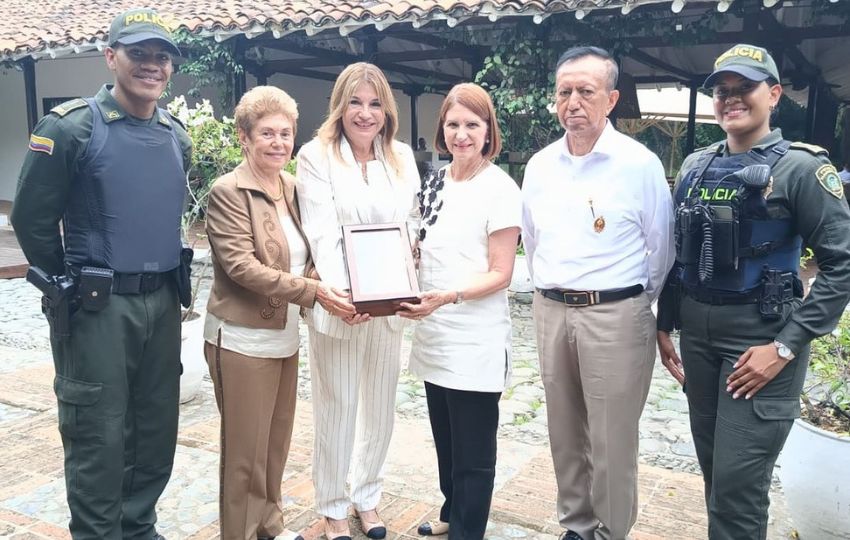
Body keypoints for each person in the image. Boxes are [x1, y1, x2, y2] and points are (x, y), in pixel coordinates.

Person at [656, 44, 850, 540]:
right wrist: (665, 324)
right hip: (698, 335)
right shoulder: (697, 167)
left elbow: (842, 264)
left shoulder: (802, 169)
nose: (731, 99)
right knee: (716, 474)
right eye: (723, 91)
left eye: (745, 88)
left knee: (739, 486)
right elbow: (682, 255)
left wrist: (785, 346)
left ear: (775, 94)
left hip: (761, 340)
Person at [10, 8, 191, 539]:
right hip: (97, 308)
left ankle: (139, 527)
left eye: (162, 57)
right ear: (111, 57)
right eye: (139, 54)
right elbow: (31, 217)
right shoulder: (72, 127)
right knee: (97, 433)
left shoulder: (174, 135)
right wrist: (63, 282)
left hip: (161, 303)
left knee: (156, 427)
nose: (152, 66)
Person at [521, 46, 675, 540]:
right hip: (551, 309)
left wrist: (630, 301)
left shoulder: (639, 164)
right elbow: (533, 239)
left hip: (616, 313)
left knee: (612, 437)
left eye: (586, 92)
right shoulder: (540, 166)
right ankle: (577, 525)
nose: (573, 102)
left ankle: (611, 530)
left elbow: (661, 248)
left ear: (611, 99)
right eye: (564, 92)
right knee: (565, 432)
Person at [202, 86, 354, 540]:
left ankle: (268, 524)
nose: (278, 143)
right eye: (266, 133)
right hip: (242, 338)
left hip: (284, 334)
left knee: (274, 442)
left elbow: (308, 251)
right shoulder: (228, 191)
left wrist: (327, 279)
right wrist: (313, 290)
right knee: (244, 451)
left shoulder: (291, 187)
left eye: (285, 133)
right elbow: (242, 267)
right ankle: (241, 533)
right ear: (243, 137)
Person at [295, 62, 419, 540]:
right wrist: (349, 293)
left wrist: (403, 276)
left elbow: (409, 223)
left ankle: (367, 497)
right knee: (337, 405)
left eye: (374, 104)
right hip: (342, 303)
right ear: (339, 107)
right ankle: (331, 504)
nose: (365, 114)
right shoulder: (315, 156)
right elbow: (322, 232)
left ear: (386, 110)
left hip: (390, 305)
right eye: (355, 102)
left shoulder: (402, 157)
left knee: (381, 408)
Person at [398, 83, 521, 539]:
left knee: (473, 449)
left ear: (489, 131)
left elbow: (501, 272)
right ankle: (453, 512)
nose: (462, 134)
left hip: (474, 336)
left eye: (472, 124)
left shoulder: (501, 189)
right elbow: (418, 247)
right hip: (434, 333)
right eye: (453, 124)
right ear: (441, 130)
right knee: (446, 439)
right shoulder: (434, 182)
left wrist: (448, 296)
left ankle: (468, 530)